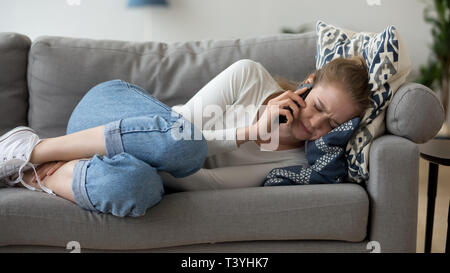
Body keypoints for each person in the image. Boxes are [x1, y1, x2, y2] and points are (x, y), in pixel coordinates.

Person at [0, 57, 370, 217]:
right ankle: (32, 149)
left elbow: (200, 182)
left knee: (136, 189)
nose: (316, 125)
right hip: (112, 112)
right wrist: (249, 133)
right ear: (307, 86)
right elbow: (176, 134)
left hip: (127, 160)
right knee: (185, 145)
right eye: (318, 105)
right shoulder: (250, 77)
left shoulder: (292, 164)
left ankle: (36, 174)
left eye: (331, 124)